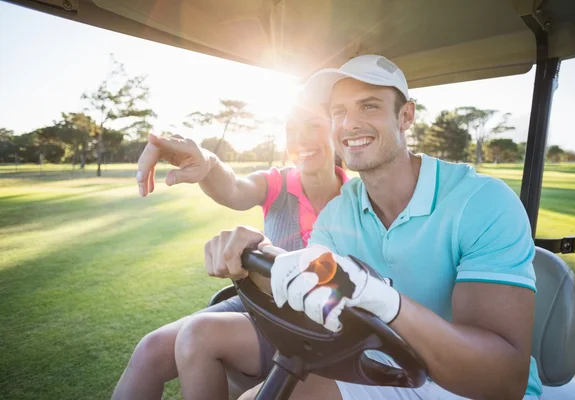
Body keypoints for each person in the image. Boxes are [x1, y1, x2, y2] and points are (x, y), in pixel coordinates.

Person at [203, 54, 542, 400]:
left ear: (406, 115)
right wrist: (262, 251)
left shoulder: (482, 202)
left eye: (368, 106)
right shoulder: (337, 213)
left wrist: (389, 304)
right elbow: (315, 285)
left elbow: (502, 381)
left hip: (465, 387)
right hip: (386, 370)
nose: (349, 124)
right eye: (339, 112)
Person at [111, 95, 348, 400]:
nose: (301, 138)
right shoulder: (277, 182)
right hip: (258, 302)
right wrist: (206, 163)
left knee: (198, 335)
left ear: (335, 129)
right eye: (292, 128)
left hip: (306, 324)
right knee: (151, 349)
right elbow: (234, 187)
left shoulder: (355, 198)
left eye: (314, 125)